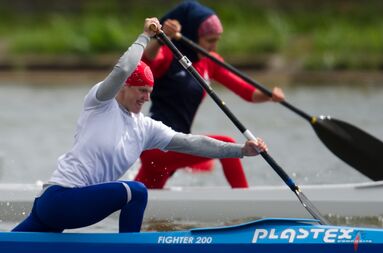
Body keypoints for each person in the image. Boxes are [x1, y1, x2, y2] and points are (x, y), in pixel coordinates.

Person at [12, 17, 267, 234]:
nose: (147, 97)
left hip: (68, 209)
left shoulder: (145, 128)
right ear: (124, 88)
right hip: (59, 200)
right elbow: (123, 68)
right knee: (136, 191)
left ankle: (127, 250)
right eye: (141, 90)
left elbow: (193, 143)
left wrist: (240, 150)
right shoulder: (100, 103)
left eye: (150, 92)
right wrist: (144, 37)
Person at [133, 0, 284, 189]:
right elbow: (144, 61)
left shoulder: (210, 62)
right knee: (227, 145)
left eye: (217, 40)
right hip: (157, 146)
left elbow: (249, 93)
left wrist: (270, 95)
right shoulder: (168, 55)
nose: (213, 47)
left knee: (138, 199)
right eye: (209, 41)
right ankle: (245, 203)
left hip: (179, 145)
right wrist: (161, 39)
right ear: (192, 36)